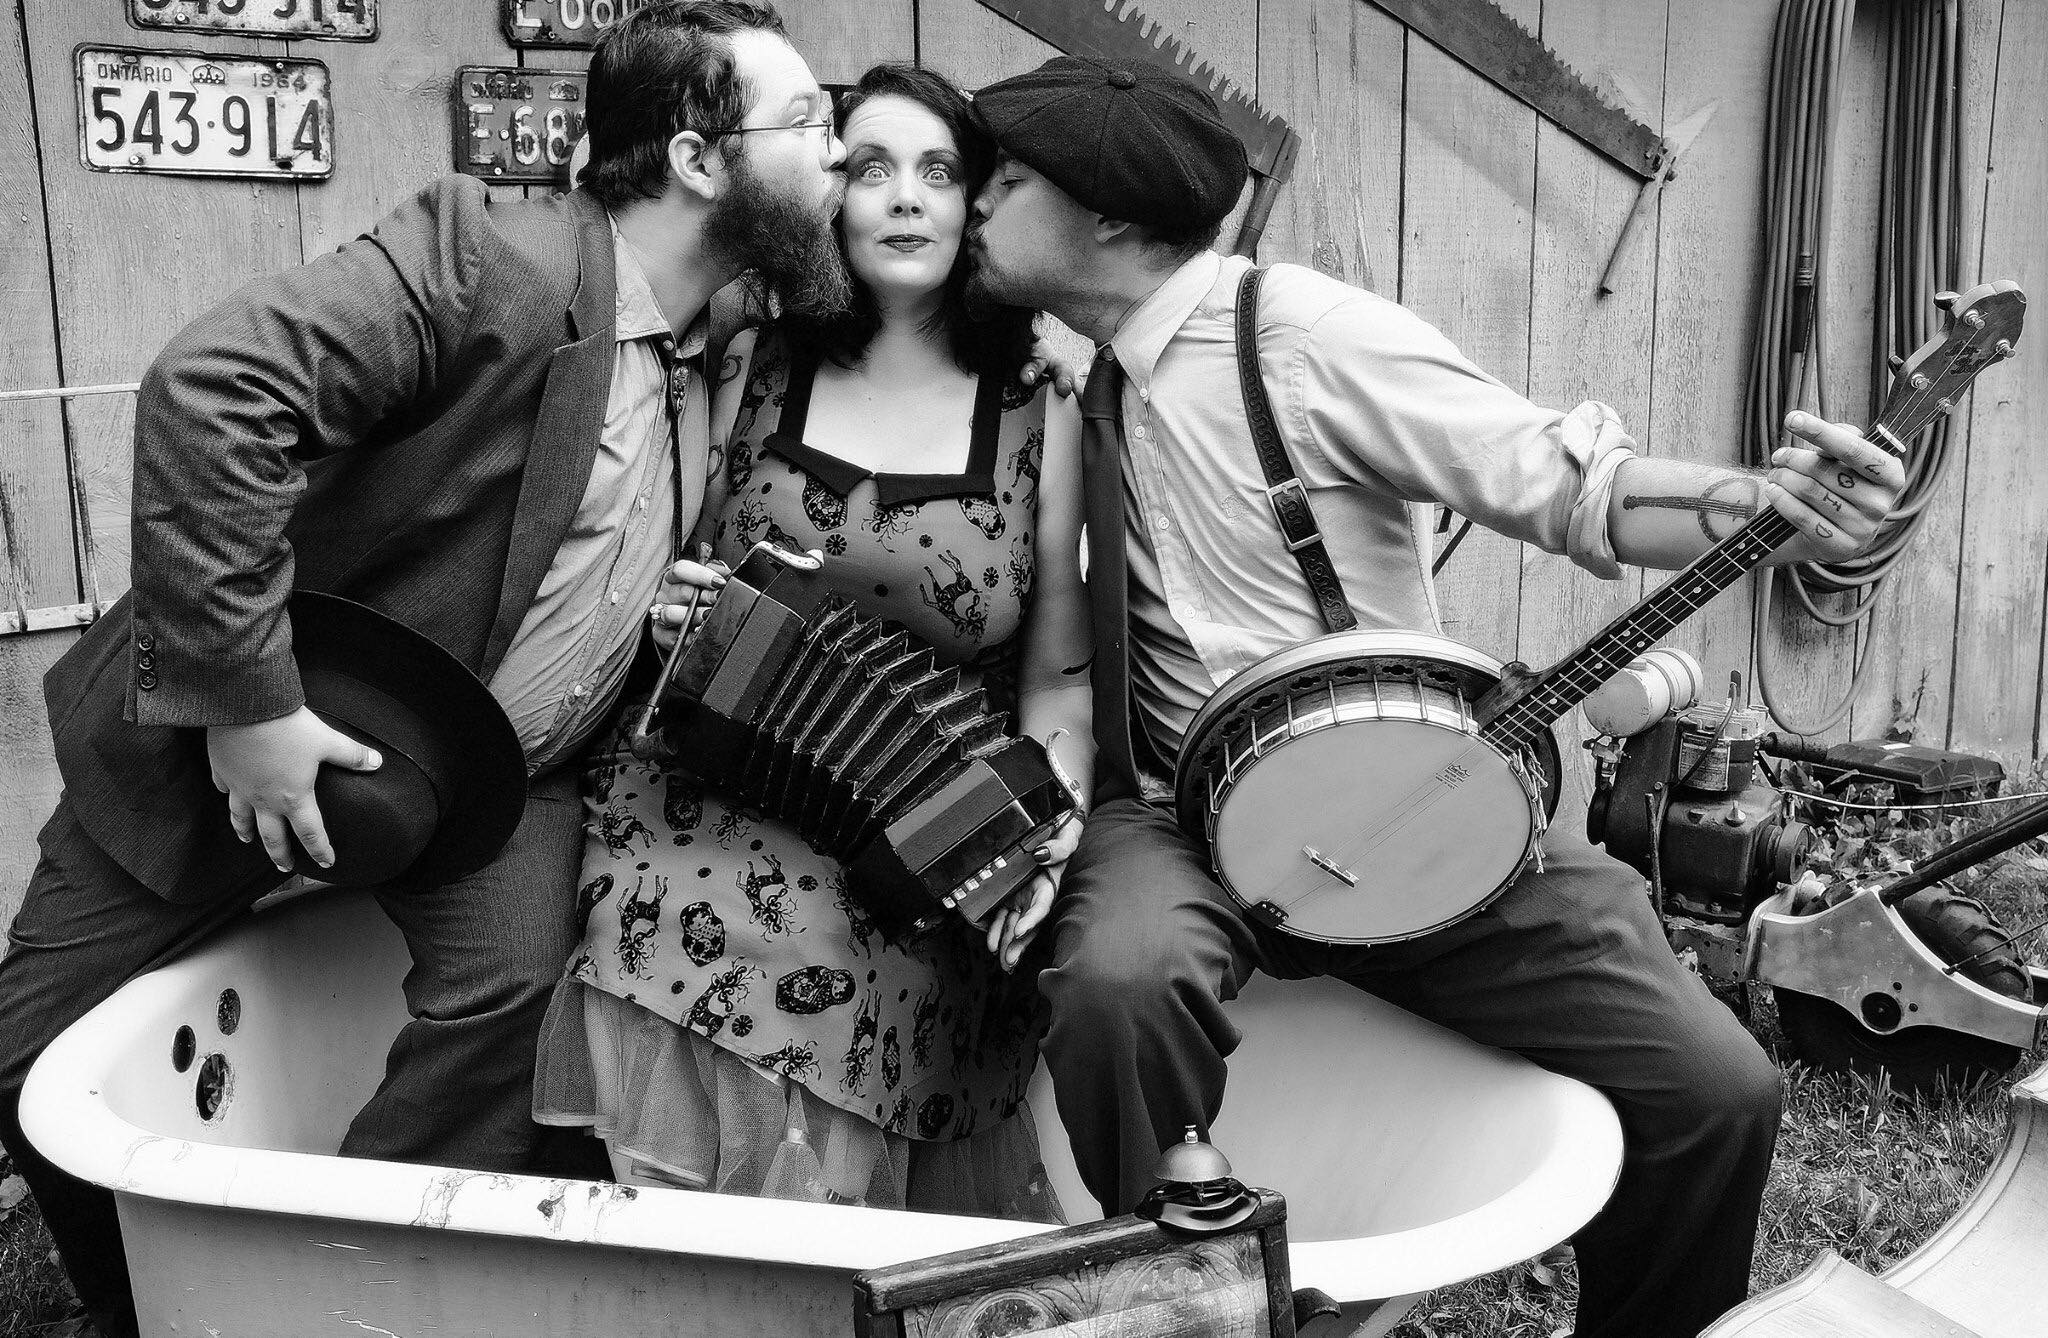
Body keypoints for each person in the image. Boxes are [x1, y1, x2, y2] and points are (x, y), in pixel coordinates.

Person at [963, 56, 1908, 1338]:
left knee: (1714, 1092)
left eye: (1006, 179)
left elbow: (1565, 482)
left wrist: (1765, 508)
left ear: (1110, 218)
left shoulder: (1300, 337)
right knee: (1121, 985)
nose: (975, 199)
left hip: (1399, 795)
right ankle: (1177, 1305)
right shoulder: (1088, 382)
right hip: (1177, 814)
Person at [0, 5, 850, 1333]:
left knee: (508, 1009)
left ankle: (329, 1300)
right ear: (697, 159)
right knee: (31, 1056)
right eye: (811, 124)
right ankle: (158, 1309)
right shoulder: (490, 258)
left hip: (492, 779)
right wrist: (250, 706)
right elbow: (210, 392)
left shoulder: (728, 330)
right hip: (240, 736)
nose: (839, 153)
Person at [532, 62, 1091, 1219]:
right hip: (700, 790)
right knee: (695, 933)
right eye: (870, 167)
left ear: (974, 205)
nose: (904, 196)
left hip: (920, 827)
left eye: (937, 171)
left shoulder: (1042, 408)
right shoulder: (748, 358)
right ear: (830, 195)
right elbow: (648, 548)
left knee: (847, 973)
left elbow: (1061, 676)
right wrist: (672, 613)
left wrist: (1041, 835)